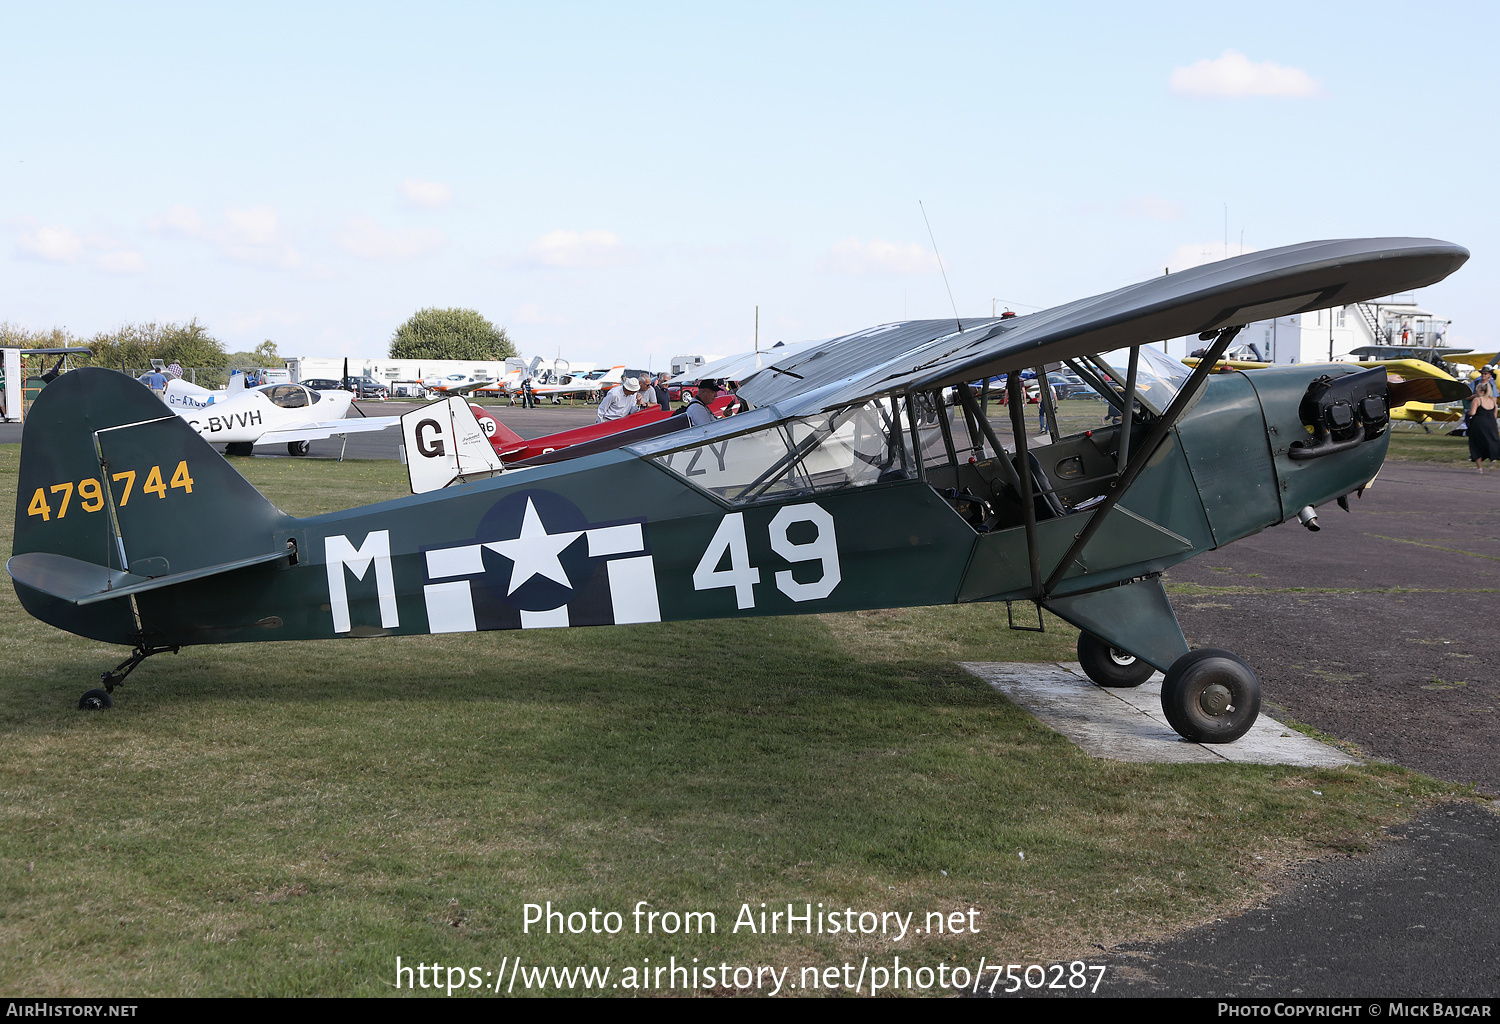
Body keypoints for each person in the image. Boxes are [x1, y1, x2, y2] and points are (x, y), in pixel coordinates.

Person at [1467, 366, 1500, 472]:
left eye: (1486, 373)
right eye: (1482, 373)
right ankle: (1493, 459)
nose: (1483, 375)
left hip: (1478, 421)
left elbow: (1472, 412)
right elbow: (1467, 396)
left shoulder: (1478, 399)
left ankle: (1480, 468)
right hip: (1490, 420)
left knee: (1476, 443)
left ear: (1490, 374)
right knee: (1492, 440)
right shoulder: (1476, 382)